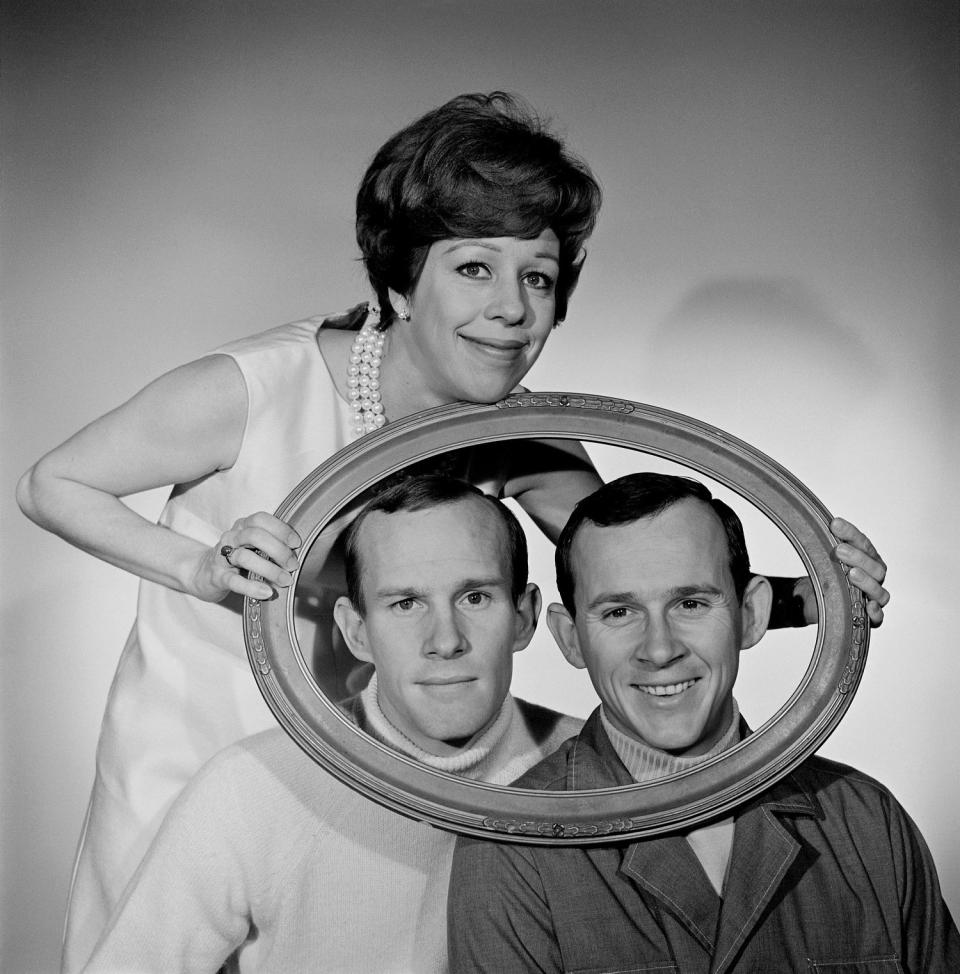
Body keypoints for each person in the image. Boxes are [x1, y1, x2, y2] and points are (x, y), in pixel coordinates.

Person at [16, 91, 887, 971]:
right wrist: (202, 568)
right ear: (398, 283)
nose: (511, 308)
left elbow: (634, 580)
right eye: (475, 268)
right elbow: (52, 483)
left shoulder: (525, 433)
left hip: (385, 785)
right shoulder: (252, 390)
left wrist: (822, 597)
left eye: (537, 277)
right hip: (205, 756)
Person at [449, 473, 956, 973]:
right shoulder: (511, 851)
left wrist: (831, 590)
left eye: (690, 604)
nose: (660, 649)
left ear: (752, 614)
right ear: (570, 637)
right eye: (620, 612)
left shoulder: (868, 822)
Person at [81, 476, 583, 973]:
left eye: (474, 597)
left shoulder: (598, 774)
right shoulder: (252, 787)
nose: (445, 640)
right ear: (357, 632)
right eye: (405, 604)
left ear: (524, 616)